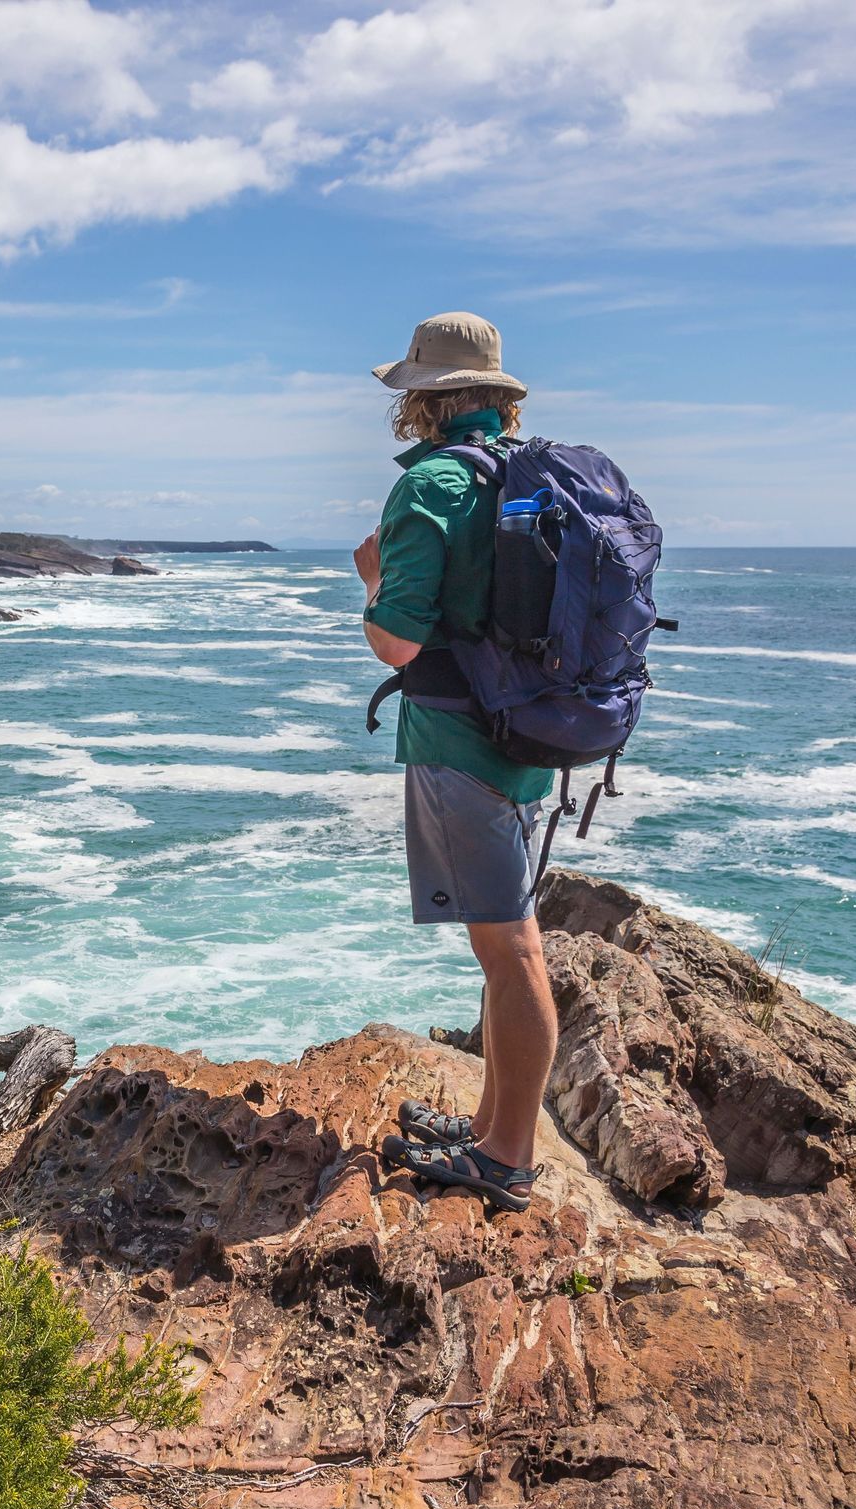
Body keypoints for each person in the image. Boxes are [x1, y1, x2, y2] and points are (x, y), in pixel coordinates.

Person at [353, 311, 553, 1213]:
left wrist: (368, 580)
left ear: (426, 402)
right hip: (527, 733)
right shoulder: (524, 476)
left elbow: (396, 641)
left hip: (458, 742)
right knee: (507, 941)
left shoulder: (432, 485)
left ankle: (506, 1158)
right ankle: (491, 1131)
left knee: (508, 951)